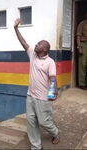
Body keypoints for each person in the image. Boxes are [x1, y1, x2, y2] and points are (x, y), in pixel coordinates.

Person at [14, 18, 59, 149]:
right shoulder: (32, 55)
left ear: (44, 49)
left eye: (39, 44)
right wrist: (16, 29)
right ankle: (36, 146)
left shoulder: (50, 62)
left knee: (44, 122)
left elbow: (52, 78)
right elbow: (23, 43)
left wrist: (52, 93)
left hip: (43, 97)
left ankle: (55, 132)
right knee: (31, 122)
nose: (36, 45)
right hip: (30, 96)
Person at [76, 12, 87, 90]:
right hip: (84, 44)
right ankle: (82, 84)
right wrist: (79, 46)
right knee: (83, 64)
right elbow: (78, 36)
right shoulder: (82, 23)